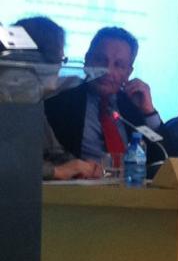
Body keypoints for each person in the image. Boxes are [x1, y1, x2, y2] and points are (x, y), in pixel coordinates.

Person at [45, 26, 163, 164]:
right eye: (101, 60)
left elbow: (163, 158)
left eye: (118, 65)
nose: (107, 71)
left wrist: (149, 112)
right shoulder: (60, 102)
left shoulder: (132, 106)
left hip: (131, 176)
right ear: (87, 60)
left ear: (128, 72)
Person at [14, 16, 101, 181]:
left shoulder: (33, 102)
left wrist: (82, 166)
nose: (61, 66)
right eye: (61, 59)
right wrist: (55, 171)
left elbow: (54, 152)